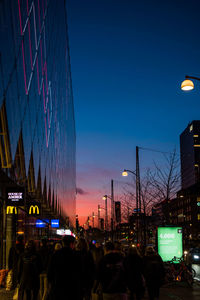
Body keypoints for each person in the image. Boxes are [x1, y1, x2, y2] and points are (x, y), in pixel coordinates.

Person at [47, 235, 83, 300]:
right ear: (71, 244)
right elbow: (81, 272)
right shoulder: (76, 255)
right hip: (73, 289)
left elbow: (50, 272)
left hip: (58, 288)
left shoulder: (56, 255)